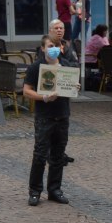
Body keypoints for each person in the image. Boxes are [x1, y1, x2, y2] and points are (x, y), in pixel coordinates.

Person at [21, 35, 74, 207]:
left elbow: (70, 88)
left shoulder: (66, 65)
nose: (54, 48)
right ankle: (35, 191)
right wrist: (43, 98)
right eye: (50, 46)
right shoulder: (36, 67)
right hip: (45, 117)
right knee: (40, 155)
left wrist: (74, 87)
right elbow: (26, 91)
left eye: (57, 46)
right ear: (43, 48)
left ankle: (55, 190)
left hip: (62, 115)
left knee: (58, 156)